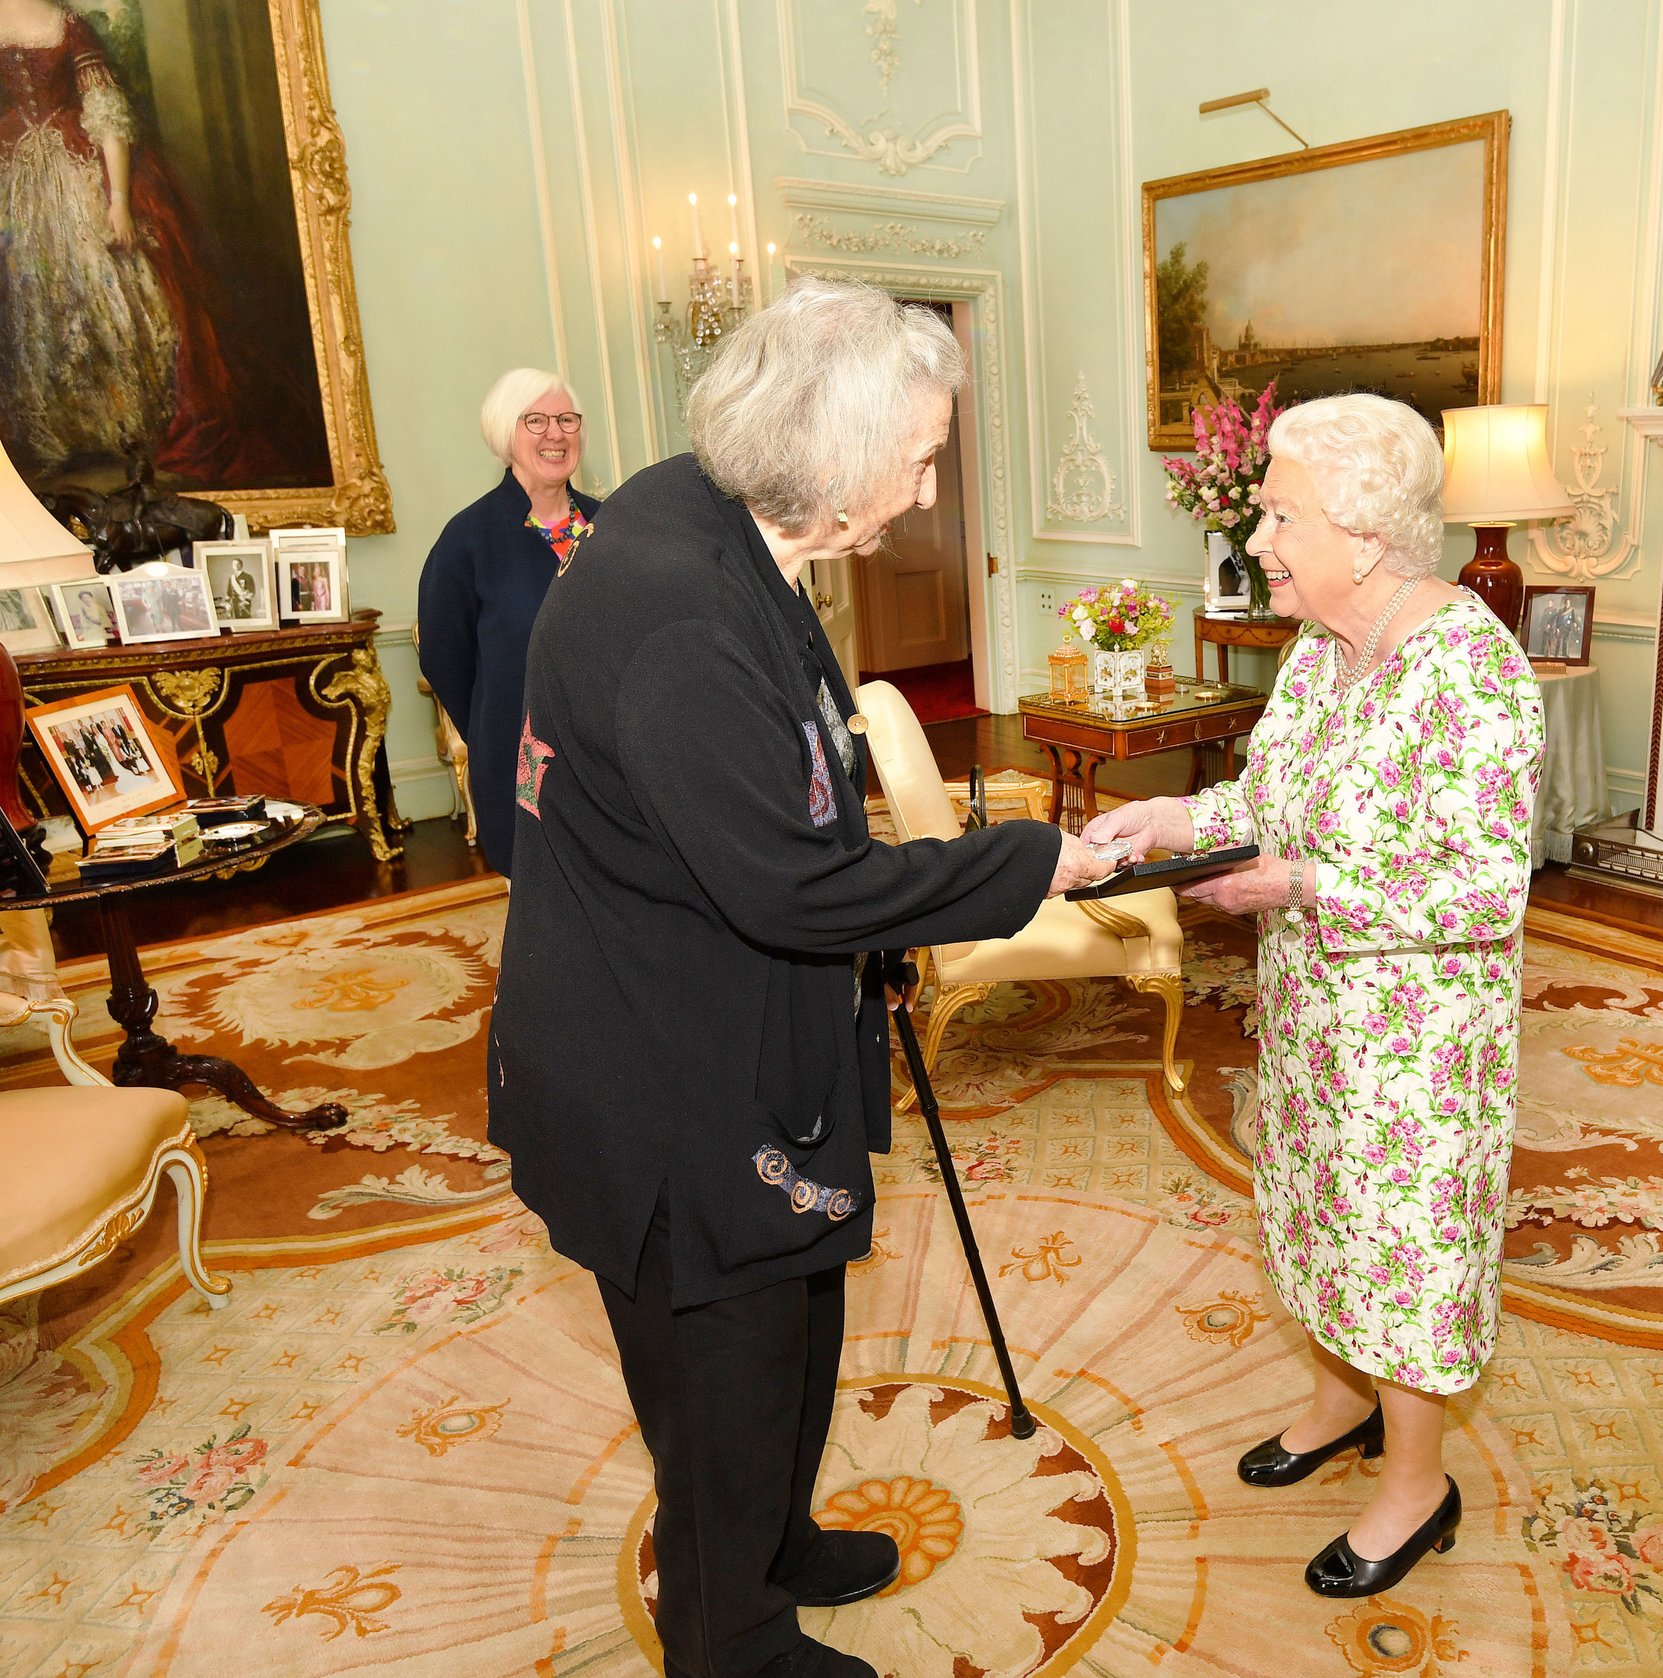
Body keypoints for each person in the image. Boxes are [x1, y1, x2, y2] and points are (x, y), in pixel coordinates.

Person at [488, 278, 1112, 1678]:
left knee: (798, 1309)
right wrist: (1023, 863)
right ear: (831, 458)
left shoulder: (710, 518)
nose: (930, 478)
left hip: (728, 1034)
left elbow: (797, 782)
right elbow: (792, 886)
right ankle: (731, 1635)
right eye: (923, 451)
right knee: (722, 1373)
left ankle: (772, 1540)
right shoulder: (674, 621)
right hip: (659, 1078)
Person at [1083, 393, 1544, 1600]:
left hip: (1419, 1036)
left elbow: (1483, 886)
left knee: (1403, 1244)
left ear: (1363, 532)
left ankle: (1415, 1482)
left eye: (1279, 514)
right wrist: (1176, 816)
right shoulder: (1319, 649)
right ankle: (1338, 1399)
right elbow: (1266, 797)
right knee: (1322, 1203)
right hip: (1316, 1010)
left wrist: (1298, 881)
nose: (1262, 540)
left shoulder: (1467, 666)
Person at [0, 0, 269, 481]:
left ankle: (117, 426)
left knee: (107, 291)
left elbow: (106, 114)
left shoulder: (68, 25)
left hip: (77, 168)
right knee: (31, 302)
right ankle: (60, 433)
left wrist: (118, 199)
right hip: (13, 174)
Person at [417, 368, 600, 871]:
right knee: (542, 906)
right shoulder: (468, 538)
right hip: (522, 761)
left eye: (566, 419)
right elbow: (442, 656)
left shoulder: (612, 526)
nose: (555, 433)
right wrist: (494, 723)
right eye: (535, 420)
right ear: (505, 434)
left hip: (610, 758)